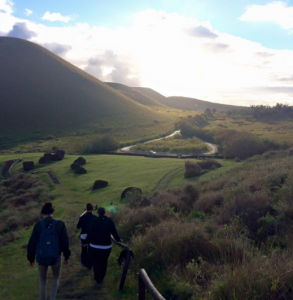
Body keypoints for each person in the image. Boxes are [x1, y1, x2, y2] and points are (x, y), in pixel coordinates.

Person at [27, 201, 71, 300]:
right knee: (55, 278)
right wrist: (66, 257)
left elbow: (32, 243)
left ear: (43, 212)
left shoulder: (38, 225)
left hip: (42, 258)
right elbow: (65, 241)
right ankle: (52, 298)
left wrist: (31, 259)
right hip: (56, 257)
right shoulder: (60, 224)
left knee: (42, 281)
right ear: (52, 212)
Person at [86, 207, 121, 284]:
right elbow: (114, 233)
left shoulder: (94, 221)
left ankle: (97, 278)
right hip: (106, 246)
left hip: (94, 246)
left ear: (98, 213)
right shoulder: (109, 221)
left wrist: (86, 241)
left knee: (95, 262)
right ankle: (101, 277)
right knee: (104, 261)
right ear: (104, 213)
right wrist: (119, 240)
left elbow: (90, 233)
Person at [76, 202, 95, 269]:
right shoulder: (94, 217)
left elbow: (78, 226)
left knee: (84, 249)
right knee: (91, 249)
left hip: (84, 235)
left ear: (86, 209)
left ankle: (84, 262)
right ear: (92, 209)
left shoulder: (82, 217)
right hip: (92, 235)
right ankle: (90, 264)